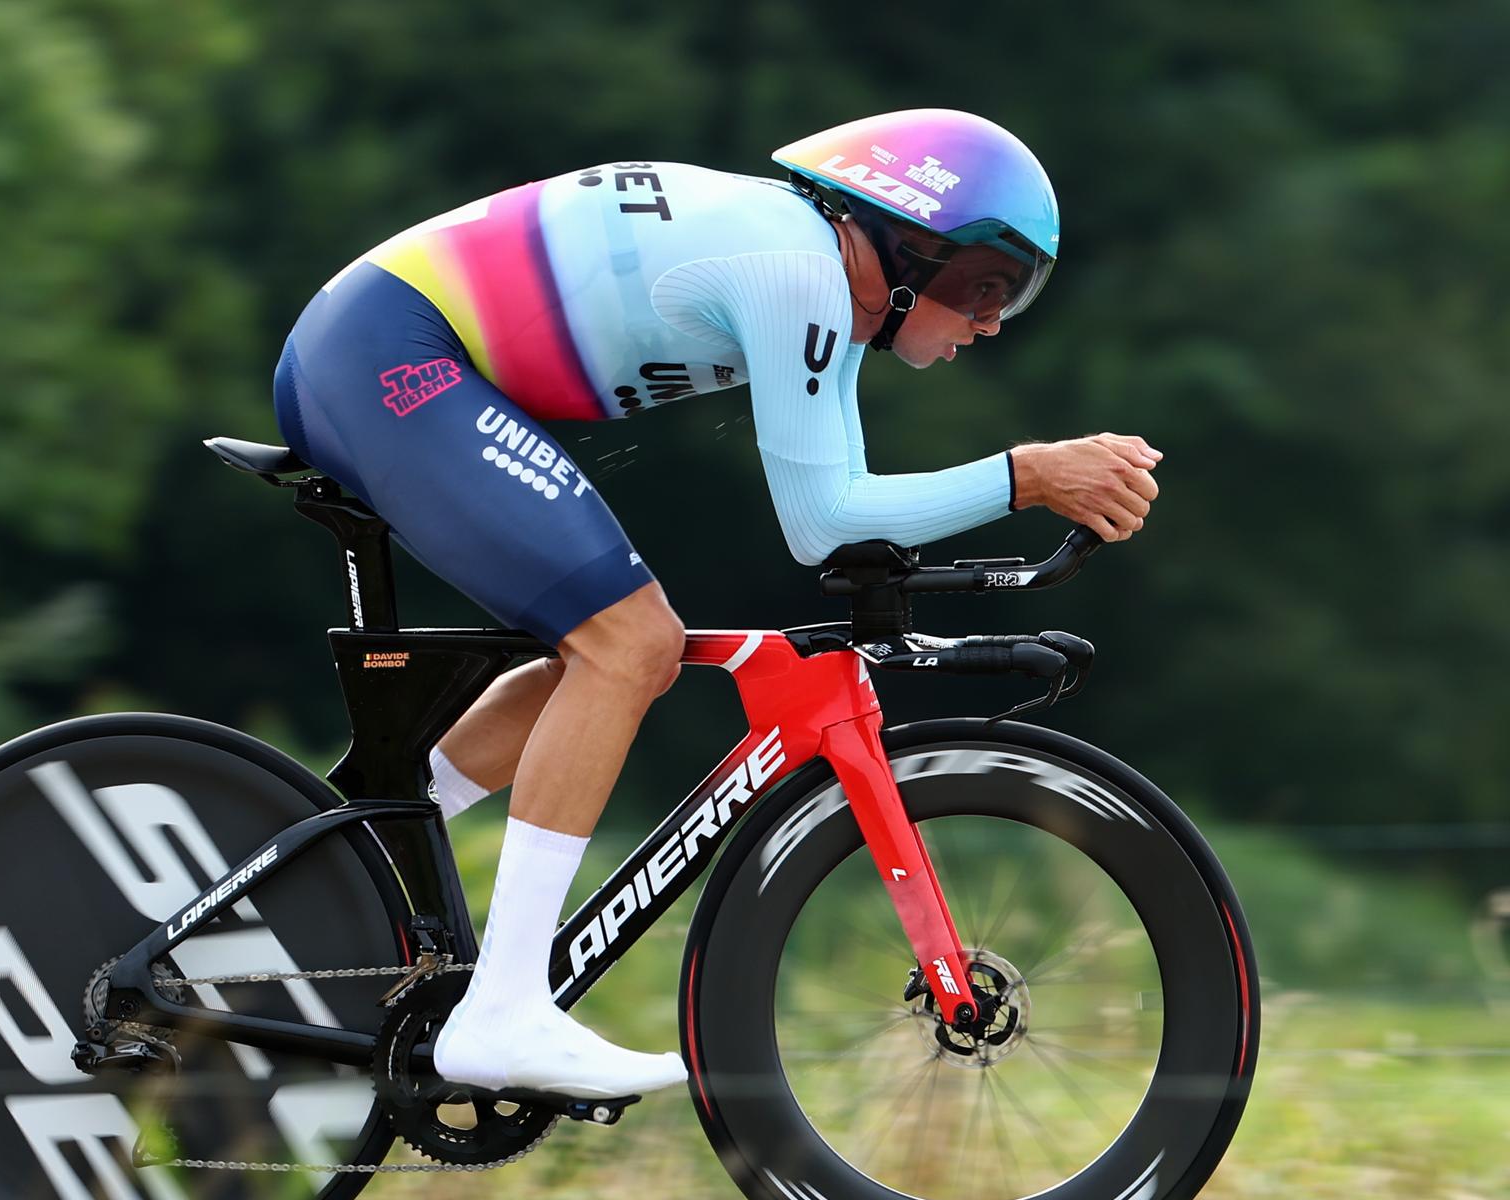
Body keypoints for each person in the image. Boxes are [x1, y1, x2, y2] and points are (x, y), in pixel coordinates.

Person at [272, 108, 1161, 1099]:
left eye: (1012, 298)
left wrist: (1015, 489)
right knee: (628, 646)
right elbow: (825, 521)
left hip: (381, 348)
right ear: (908, 246)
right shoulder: (797, 270)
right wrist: (1027, 476)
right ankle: (504, 1010)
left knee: (615, 654)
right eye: (985, 285)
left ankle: (355, 849)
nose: (991, 322)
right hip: (389, 356)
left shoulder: (816, 274)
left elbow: (838, 513)